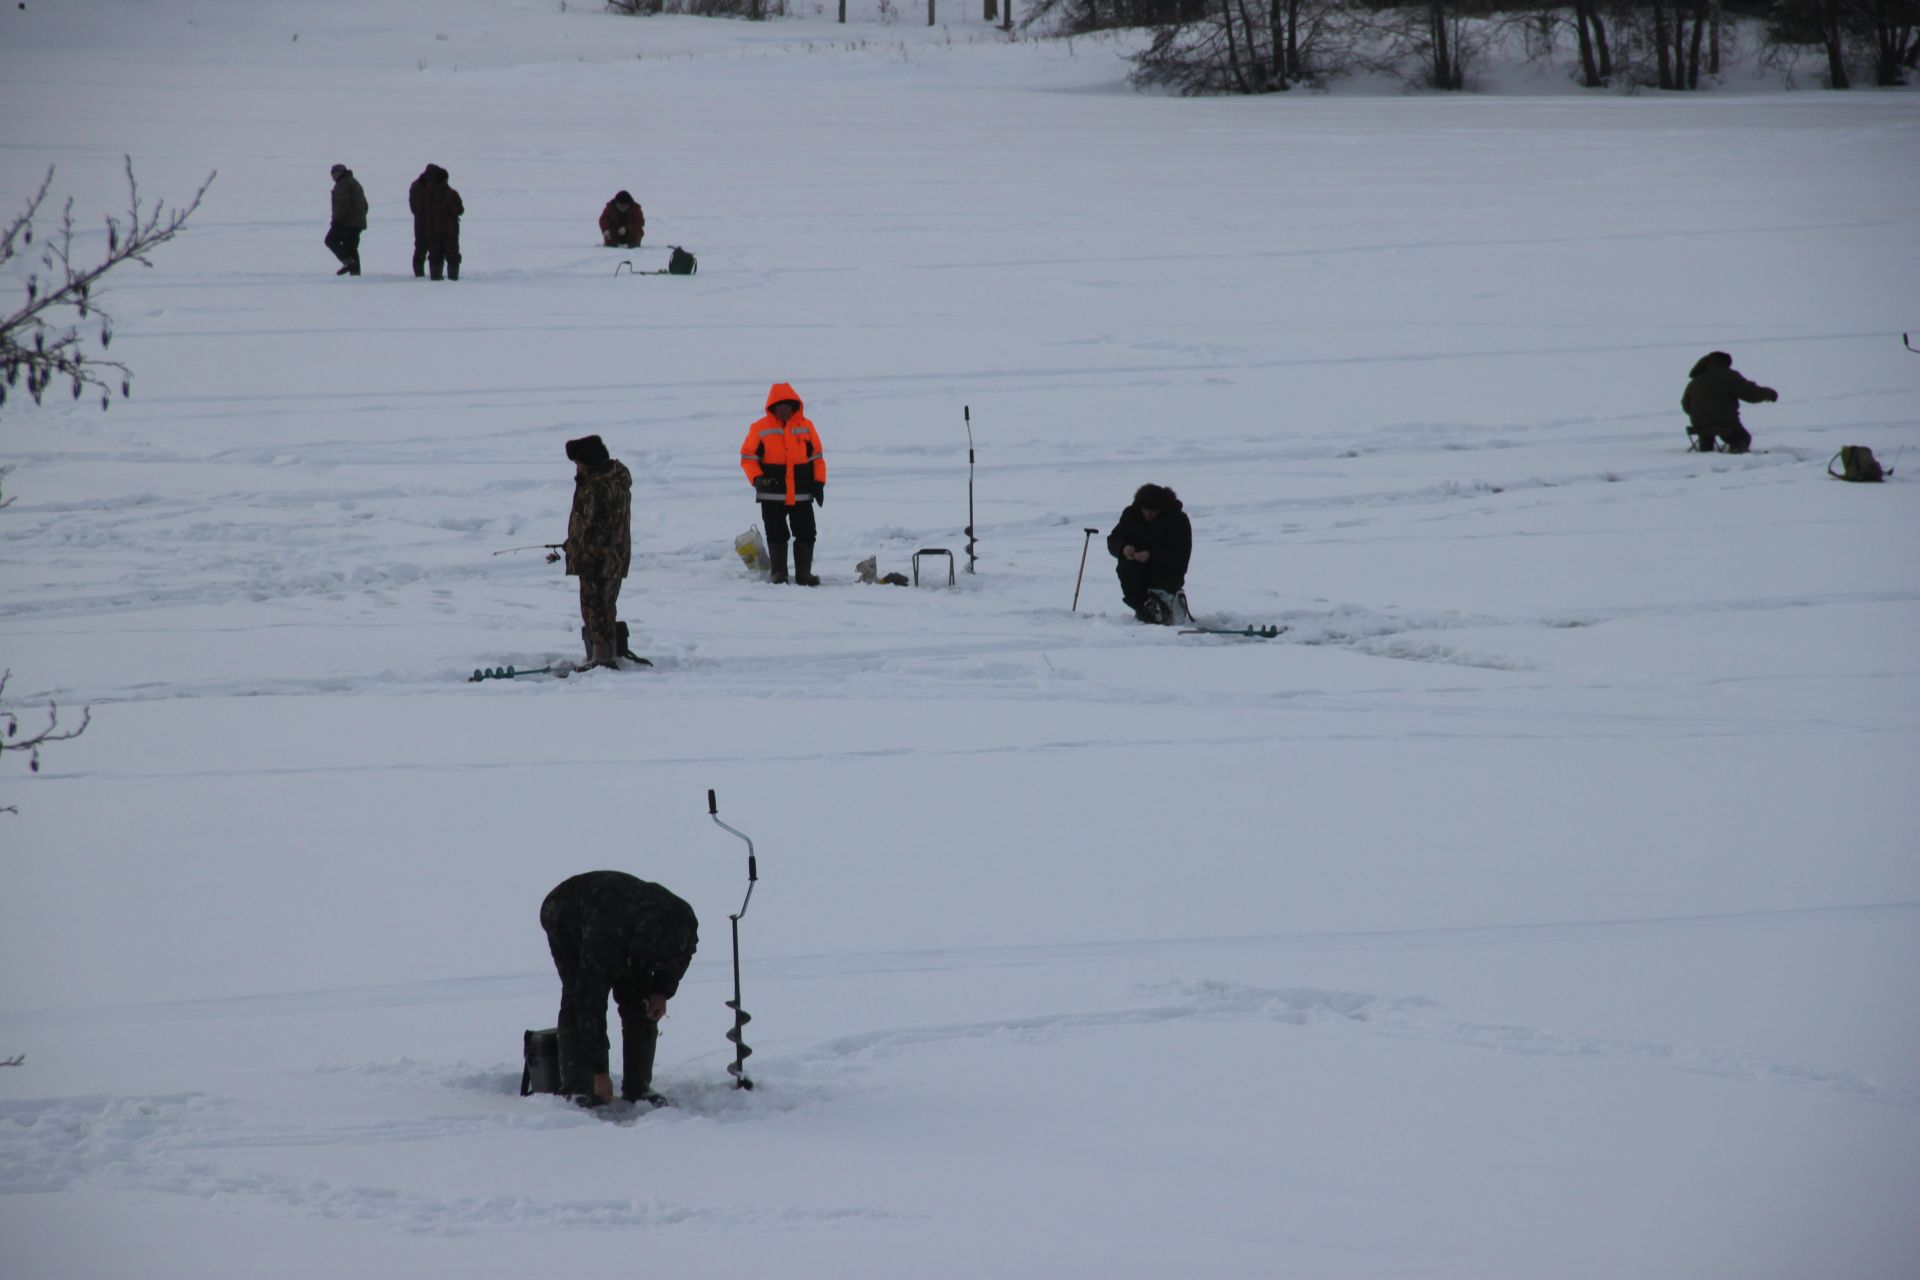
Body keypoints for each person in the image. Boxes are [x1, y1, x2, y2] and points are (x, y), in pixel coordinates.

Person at [540, 871, 698, 1108]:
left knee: (640, 998)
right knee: (577, 995)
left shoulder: (682, 921)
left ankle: (638, 1085)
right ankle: (577, 1086)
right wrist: (600, 1072)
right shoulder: (605, 938)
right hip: (564, 911)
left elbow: (681, 957)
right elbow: (589, 1000)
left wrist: (661, 991)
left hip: (619, 916)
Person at [554, 434, 632, 669]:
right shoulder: (612, 477)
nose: (576, 467)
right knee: (603, 607)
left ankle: (603, 659)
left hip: (598, 558)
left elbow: (593, 527)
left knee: (595, 608)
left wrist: (578, 549)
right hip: (613, 556)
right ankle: (604, 655)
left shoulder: (597, 486)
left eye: (578, 462)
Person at [738, 383, 826, 586]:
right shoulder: (759, 428)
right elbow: (748, 457)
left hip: (802, 494)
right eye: (779, 405)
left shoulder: (807, 426)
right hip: (772, 494)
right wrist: (757, 478)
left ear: (794, 406)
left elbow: (817, 457)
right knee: (776, 533)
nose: (784, 409)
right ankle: (779, 573)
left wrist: (819, 483)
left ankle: (804, 574)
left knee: (806, 532)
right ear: (772, 407)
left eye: (787, 405)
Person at [1106, 483, 1192, 624]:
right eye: (1146, 510)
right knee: (1126, 569)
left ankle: (1163, 607)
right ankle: (1146, 610)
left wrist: (1150, 556)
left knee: (1160, 591)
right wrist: (1123, 548)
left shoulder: (1178, 519)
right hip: (1137, 570)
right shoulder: (1130, 514)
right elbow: (1113, 539)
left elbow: (1180, 556)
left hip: (1167, 572)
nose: (1149, 514)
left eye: (1153, 511)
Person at [1682, 351, 1778, 454]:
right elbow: (1751, 393)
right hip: (1725, 422)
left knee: (1707, 432)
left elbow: (1685, 404)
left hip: (1700, 424)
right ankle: (1736, 453)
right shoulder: (1729, 376)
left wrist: (1700, 414)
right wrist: (1769, 394)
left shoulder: (1695, 381)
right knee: (1742, 437)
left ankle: (1705, 450)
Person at [419, 164, 464, 281]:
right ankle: (453, 279)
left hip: (432, 230)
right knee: (452, 255)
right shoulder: (451, 193)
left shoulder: (428, 194)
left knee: (435, 256)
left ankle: (435, 278)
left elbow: (422, 210)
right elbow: (459, 210)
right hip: (450, 231)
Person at [325, 163, 367, 276]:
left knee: (330, 240)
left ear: (338, 173)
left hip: (346, 222)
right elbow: (365, 205)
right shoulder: (355, 183)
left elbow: (342, 204)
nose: (332, 177)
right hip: (358, 223)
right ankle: (355, 273)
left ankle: (348, 263)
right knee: (351, 247)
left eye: (333, 174)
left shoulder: (343, 185)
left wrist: (337, 220)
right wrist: (360, 218)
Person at [406, 164, 445, 279]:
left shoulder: (418, 185)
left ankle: (426, 273)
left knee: (425, 248)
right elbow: (415, 207)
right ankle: (420, 274)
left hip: (426, 222)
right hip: (423, 223)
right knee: (421, 248)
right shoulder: (422, 186)